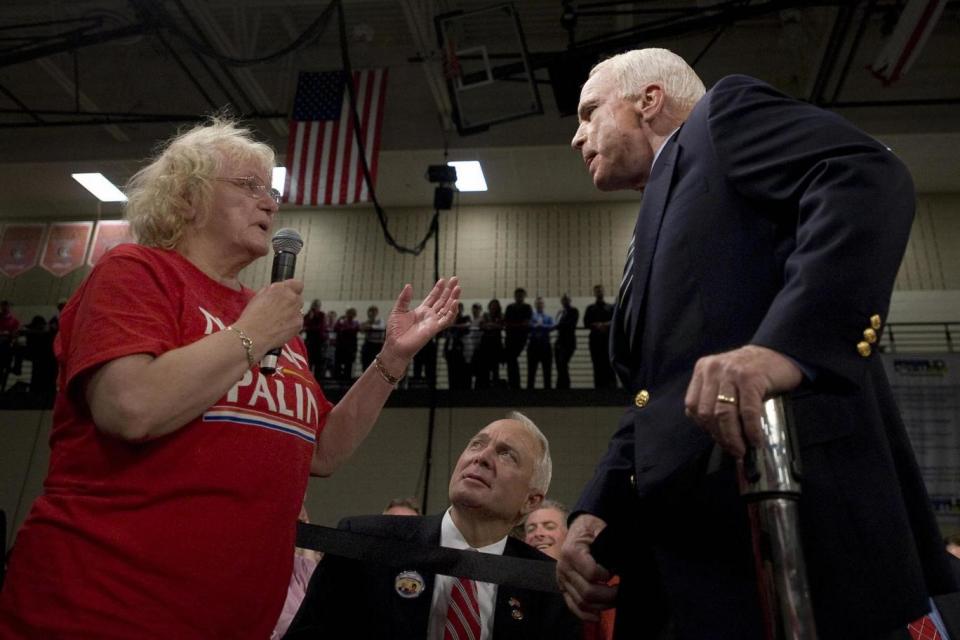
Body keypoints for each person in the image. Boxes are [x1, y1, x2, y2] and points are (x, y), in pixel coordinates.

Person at [0, 116, 461, 639]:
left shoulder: (265, 316)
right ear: (188, 196)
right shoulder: (136, 272)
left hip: (233, 621)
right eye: (248, 186)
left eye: (271, 191)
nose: (269, 203)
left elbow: (324, 452)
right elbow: (130, 408)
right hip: (105, 606)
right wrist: (251, 334)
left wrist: (391, 361)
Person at [556, 48, 958, 640]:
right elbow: (654, 396)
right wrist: (597, 508)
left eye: (590, 112)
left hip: (791, 535)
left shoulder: (721, 117)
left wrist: (788, 345)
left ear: (649, 100)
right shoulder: (657, 218)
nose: (576, 136)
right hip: (691, 564)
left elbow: (864, 173)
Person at [286, 412, 581, 639]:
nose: (482, 457)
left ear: (531, 501)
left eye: (507, 454)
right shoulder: (365, 545)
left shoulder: (549, 586)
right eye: (477, 444)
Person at [583, 285, 614, 389]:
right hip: (595, 341)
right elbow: (586, 323)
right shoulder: (590, 308)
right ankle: (598, 391)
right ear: (594, 293)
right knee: (597, 365)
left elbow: (616, 322)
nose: (599, 293)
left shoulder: (611, 307)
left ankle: (611, 390)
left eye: (600, 291)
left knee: (609, 365)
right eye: (597, 291)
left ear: (603, 292)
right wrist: (599, 325)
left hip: (608, 341)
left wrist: (604, 325)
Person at [503, 288, 533, 390]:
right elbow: (507, 322)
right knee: (511, 360)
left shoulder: (527, 307)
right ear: (515, 296)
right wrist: (519, 325)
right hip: (512, 337)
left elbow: (526, 323)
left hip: (519, 338)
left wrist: (514, 325)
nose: (519, 297)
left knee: (511, 359)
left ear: (524, 296)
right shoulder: (510, 307)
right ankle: (514, 384)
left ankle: (514, 384)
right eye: (518, 295)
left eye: (521, 295)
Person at [527, 296, 555, 389]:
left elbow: (552, 327)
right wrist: (540, 327)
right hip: (533, 346)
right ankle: (529, 397)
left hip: (545, 347)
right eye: (538, 303)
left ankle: (548, 397)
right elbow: (528, 326)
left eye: (541, 303)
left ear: (544, 305)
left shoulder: (548, 317)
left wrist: (540, 326)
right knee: (531, 372)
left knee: (547, 373)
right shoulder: (530, 316)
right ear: (535, 305)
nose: (540, 305)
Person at [554, 294, 579, 390]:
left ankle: (564, 387)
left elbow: (570, 324)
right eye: (563, 300)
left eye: (566, 300)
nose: (565, 301)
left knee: (563, 364)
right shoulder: (561, 312)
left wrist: (558, 325)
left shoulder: (574, 311)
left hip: (568, 342)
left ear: (570, 300)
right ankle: (561, 386)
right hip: (559, 342)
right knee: (559, 366)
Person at [477, 299, 504, 388]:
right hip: (486, 345)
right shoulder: (485, 315)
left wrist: (489, 325)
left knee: (495, 367)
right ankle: (486, 386)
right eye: (492, 305)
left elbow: (501, 326)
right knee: (486, 366)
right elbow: (481, 325)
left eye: (495, 305)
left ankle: (495, 386)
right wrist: (493, 325)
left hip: (496, 344)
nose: (493, 307)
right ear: (489, 306)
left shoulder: (500, 315)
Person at [333, 307, 359, 381]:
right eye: (348, 313)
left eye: (352, 313)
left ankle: (346, 379)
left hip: (350, 347)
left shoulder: (355, 323)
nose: (350, 315)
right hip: (341, 346)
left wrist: (343, 328)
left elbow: (353, 329)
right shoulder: (342, 321)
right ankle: (338, 379)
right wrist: (339, 320)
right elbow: (335, 328)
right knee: (338, 363)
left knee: (348, 365)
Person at [302, 299, 326, 378]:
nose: (316, 307)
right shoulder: (308, 315)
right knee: (309, 361)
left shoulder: (321, 315)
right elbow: (304, 325)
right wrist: (310, 317)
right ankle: (308, 378)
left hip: (318, 342)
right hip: (310, 342)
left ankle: (318, 380)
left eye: (317, 306)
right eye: (315, 306)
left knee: (318, 363)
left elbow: (319, 327)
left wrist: (309, 328)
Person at [360, 305, 385, 371]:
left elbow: (381, 327)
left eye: (373, 312)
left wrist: (370, 326)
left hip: (377, 345)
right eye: (370, 312)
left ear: (376, 312)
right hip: (368, 344)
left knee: (377, 363)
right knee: (366, 362)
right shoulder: (366, 322)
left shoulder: (380, 320)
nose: (372, 313)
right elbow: (361, 330)